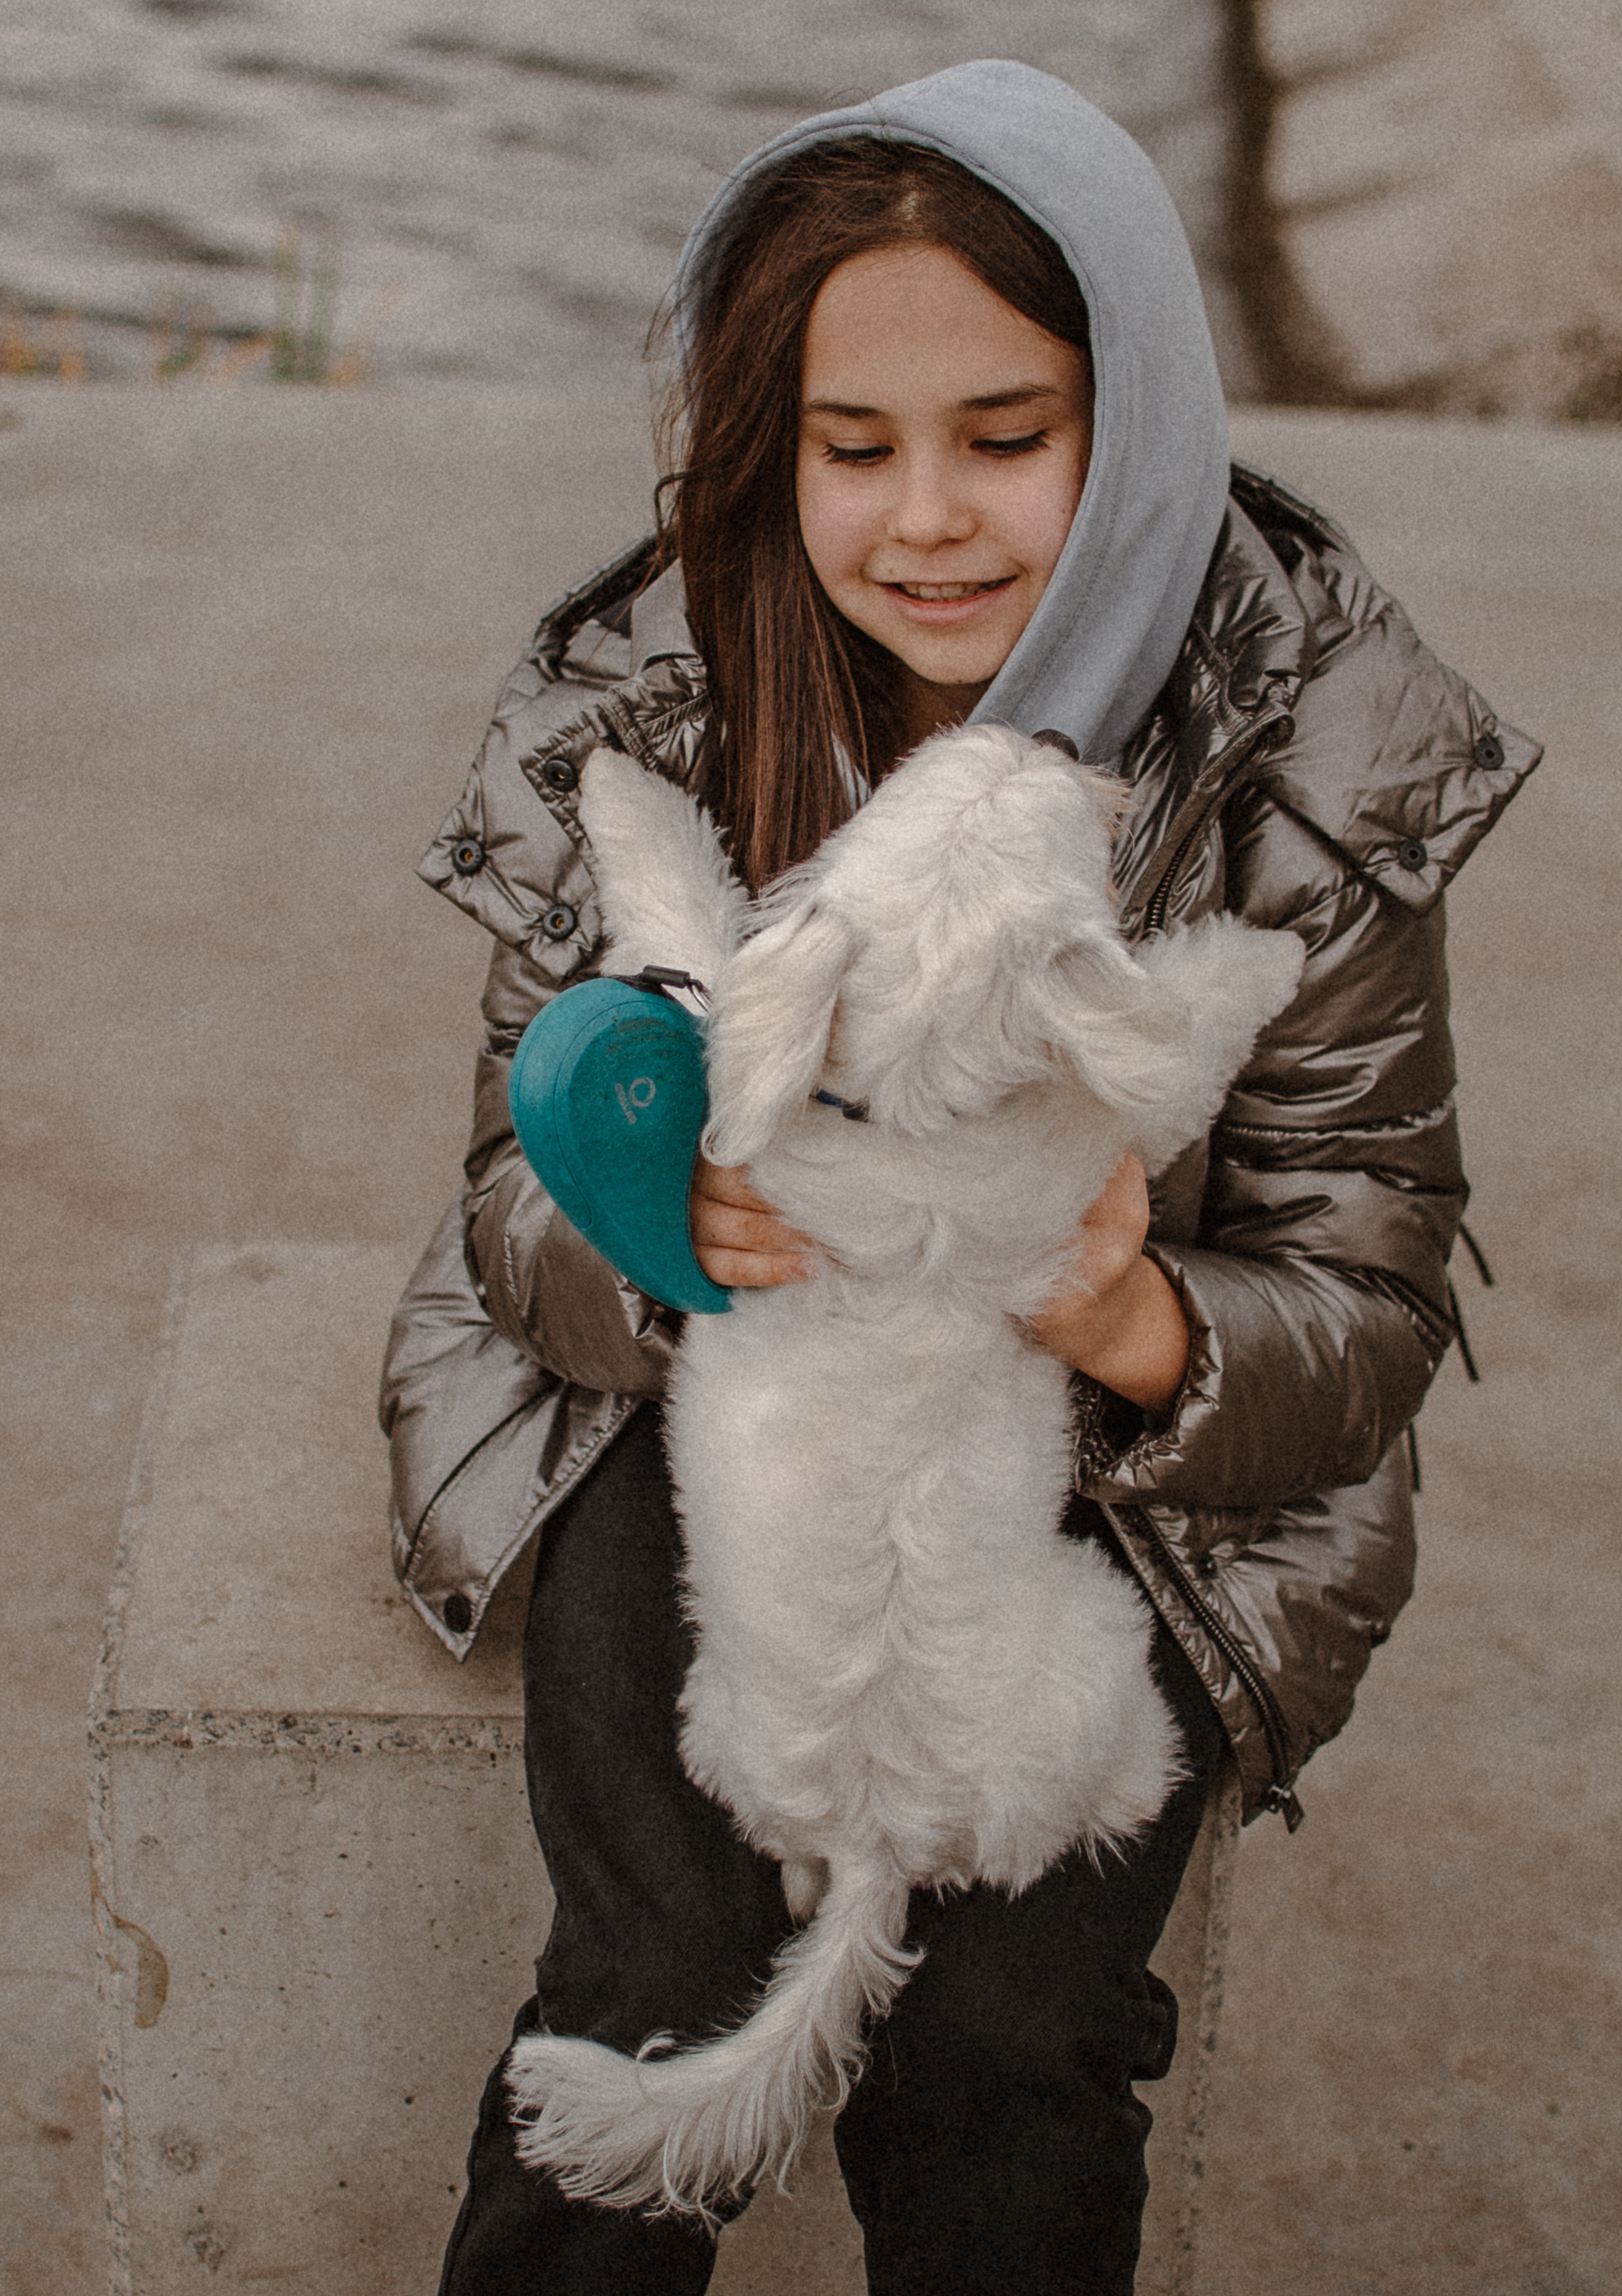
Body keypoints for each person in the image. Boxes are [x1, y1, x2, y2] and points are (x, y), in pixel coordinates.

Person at [381, 60, 1537, 2296]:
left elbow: (1371, 1276)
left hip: (1117, 1468)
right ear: (764, 446)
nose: (931, 519)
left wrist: (1144, 1321)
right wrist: (647, 1246)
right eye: (854, 445)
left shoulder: (1312, 741)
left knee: (1012, 2033)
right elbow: (508, 1185)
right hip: (713, 1403)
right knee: (658, 1957)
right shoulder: (650, 699)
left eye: (1013, 437)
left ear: (1146, 422)